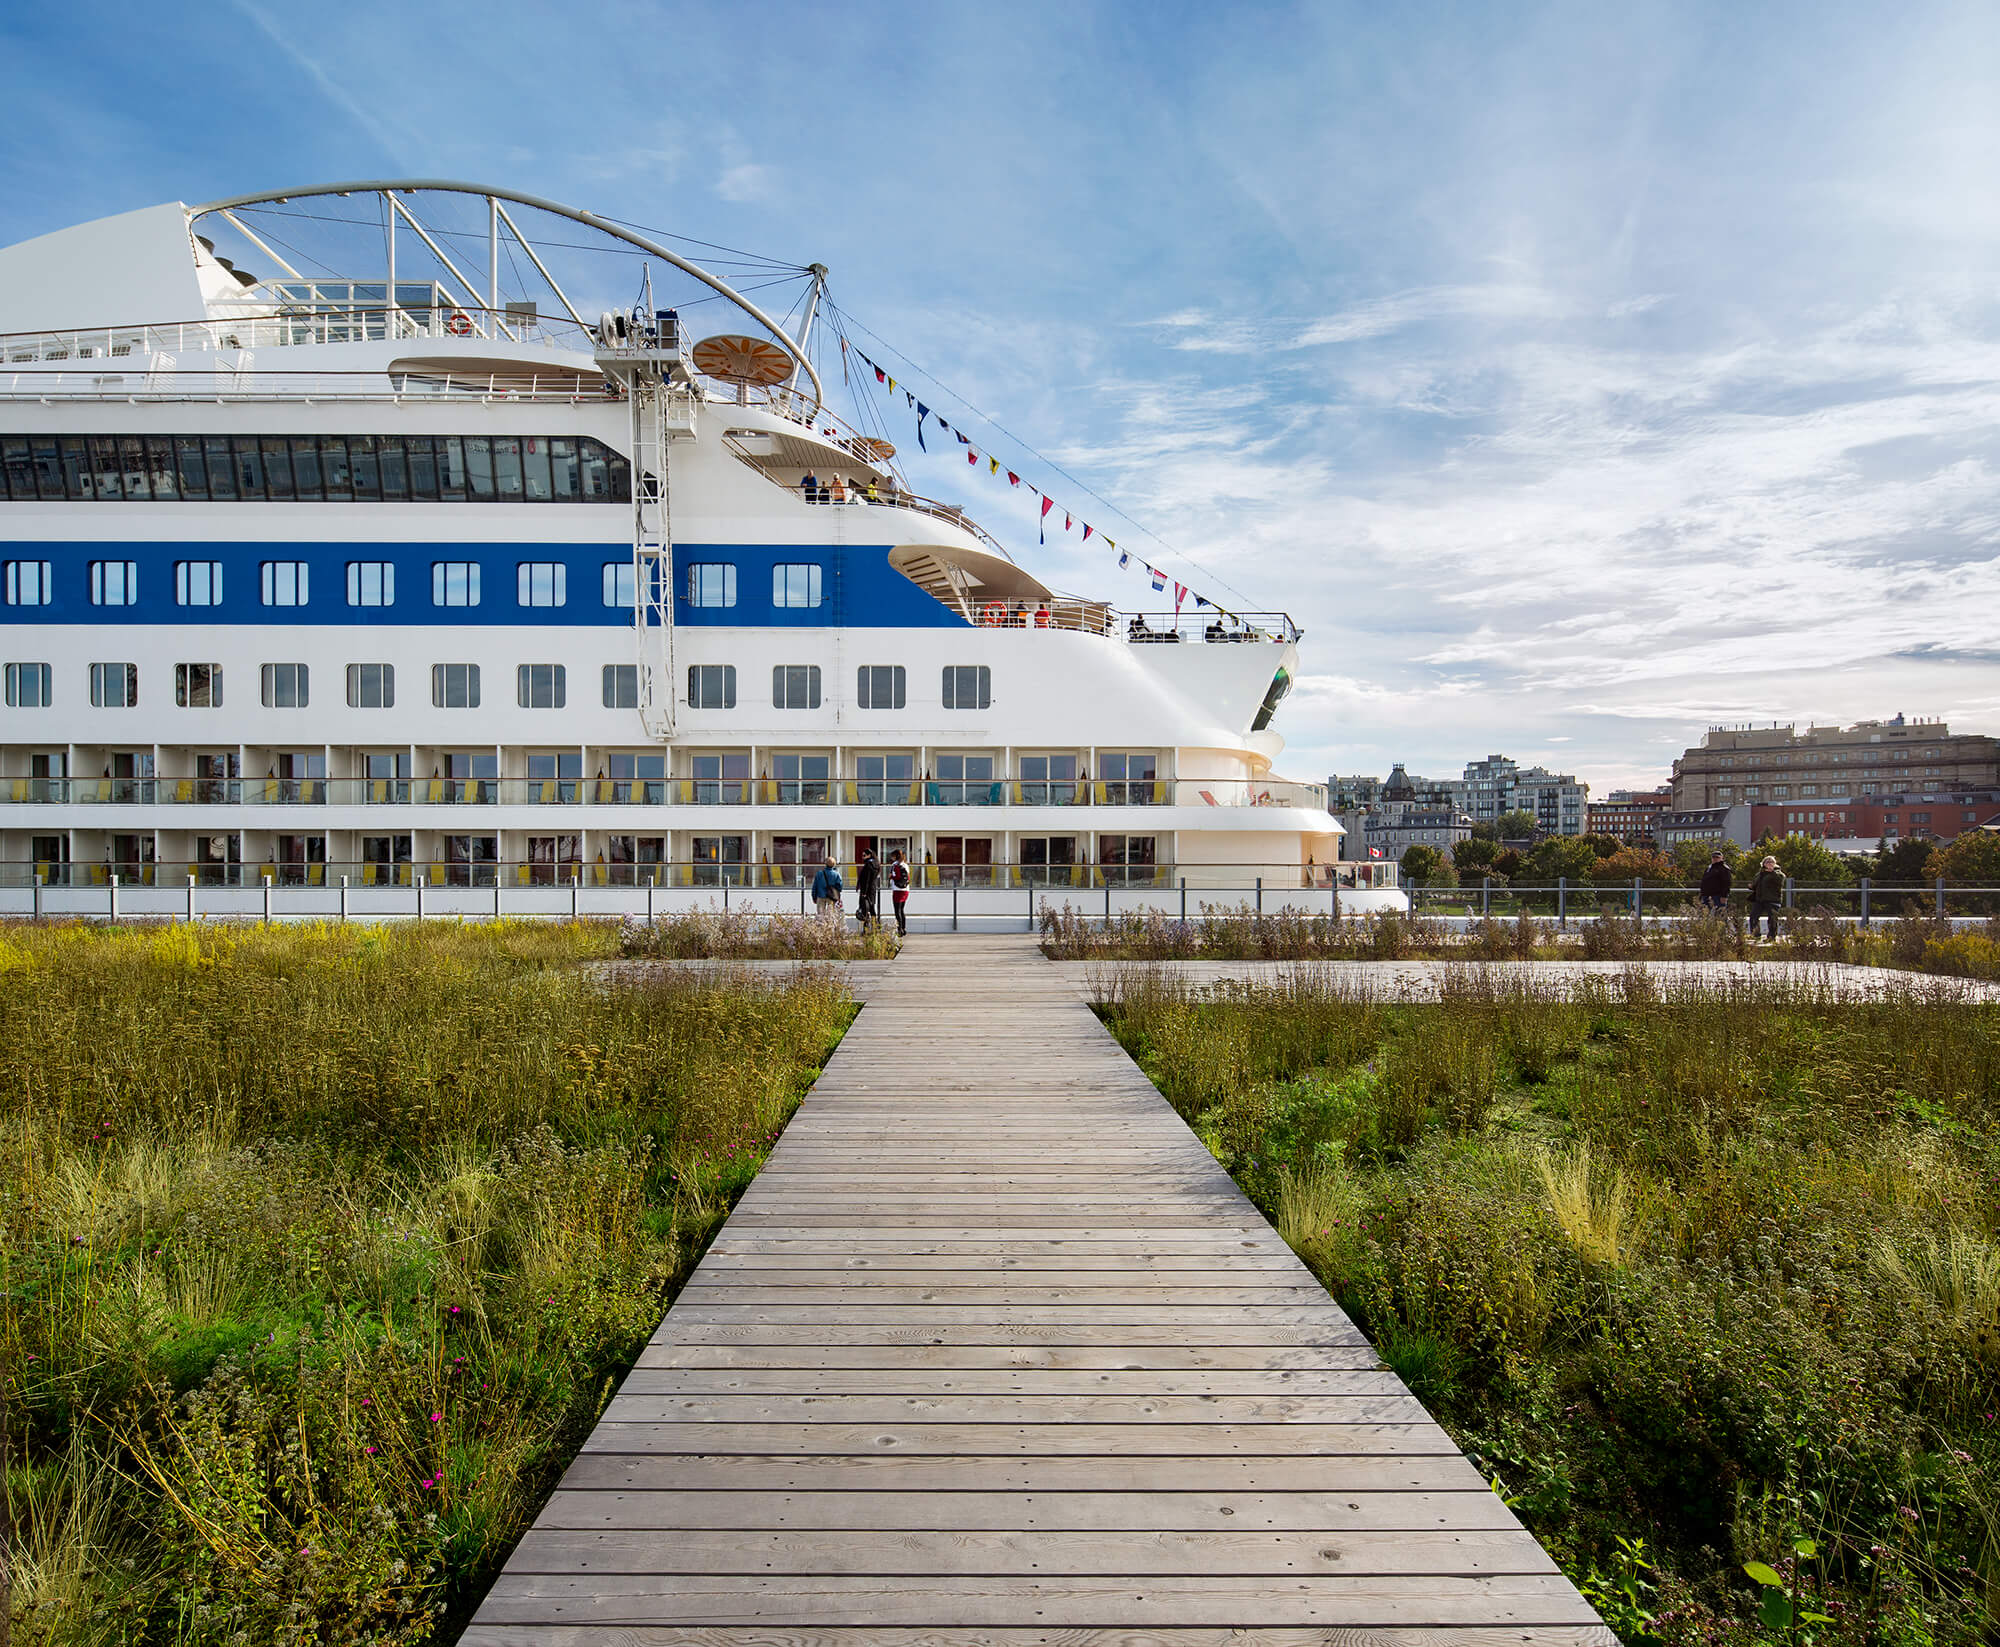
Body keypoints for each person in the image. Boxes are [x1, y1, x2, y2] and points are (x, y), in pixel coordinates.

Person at [1746, 854, 1784, 941]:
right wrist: (1751, 886)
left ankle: (1771, 936)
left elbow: (1780, 881)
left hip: (1772, 899)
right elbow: (1755, 884)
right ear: (1763, 863)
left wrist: (1772, 871)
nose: (1769, 863)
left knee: (1772, 918)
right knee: (1753, 916)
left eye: (1772, 862)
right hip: (1759, 899)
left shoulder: (1778, 873)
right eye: (1767, 862)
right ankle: (1755, 934)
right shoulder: (1760, 874)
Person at [888, 849, 911, 937]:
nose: (892, 858)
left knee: (897, 911)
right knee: (901, 910)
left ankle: (899, 929)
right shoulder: (905, 865)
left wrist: (891, 877)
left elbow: (895, 876)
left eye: (893, 856)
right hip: (905, 890)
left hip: (897, 889)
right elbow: (908, 877)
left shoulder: (895, 865)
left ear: (896, 856)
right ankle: (903, 928)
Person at [856, 850, 880, 931]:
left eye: (864, 855)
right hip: (873, 889)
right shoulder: (876, 864)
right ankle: (874, 927)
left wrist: (864, 893)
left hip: (866, 890)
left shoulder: (868, 865)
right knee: (872, 908)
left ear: (869, 855)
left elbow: (866, 879)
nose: (863, 857)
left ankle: (866, 928)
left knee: (865, 909)